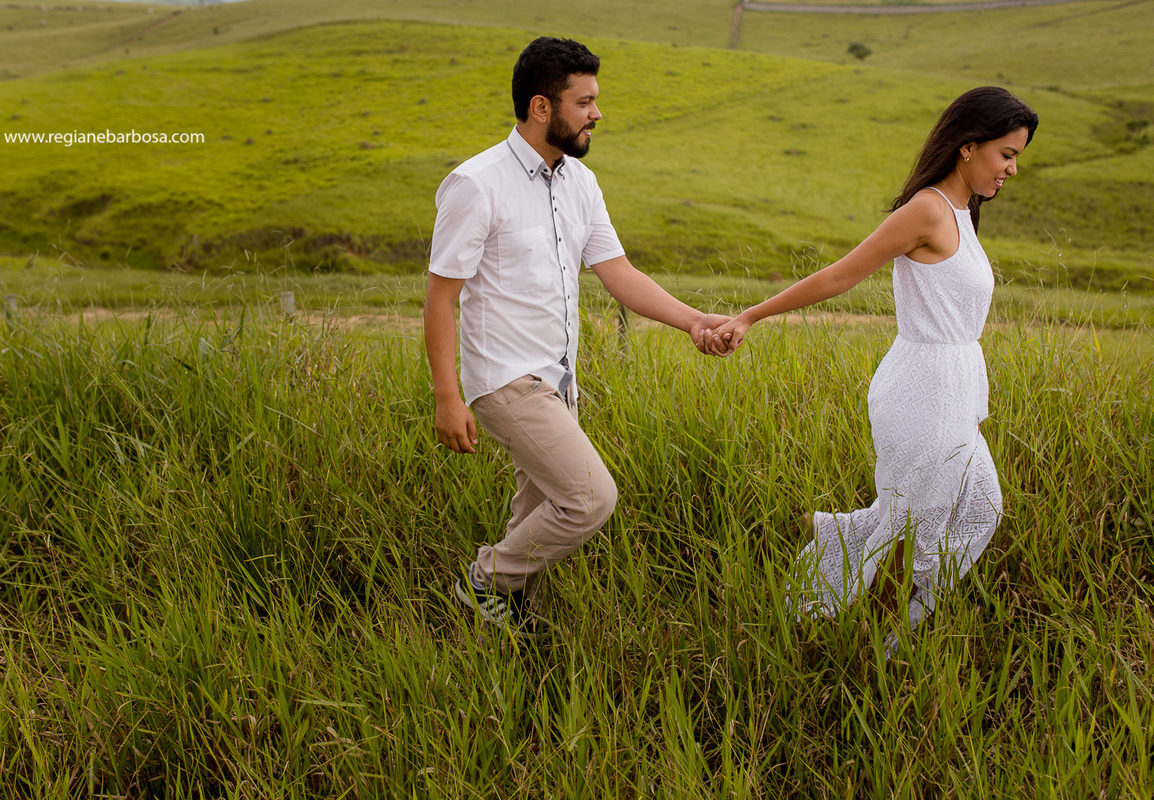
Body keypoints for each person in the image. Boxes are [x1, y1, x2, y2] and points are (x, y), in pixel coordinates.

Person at [703, 86, 1039, 652]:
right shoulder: (928, 209)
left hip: (954, 386)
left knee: (978, 508)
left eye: (1016, 158)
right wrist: (751, 316)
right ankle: (879, 648)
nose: (1010, 169)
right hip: (924, 389)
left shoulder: (962, 213)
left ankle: (821, 532)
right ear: (968, 146)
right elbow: (840, 274)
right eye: (1006, 154)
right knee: (913, 526)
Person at [425, 36, 730, 639]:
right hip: (506, 380)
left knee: (538, 510)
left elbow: (620, 274)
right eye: (585, 102)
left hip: (559, 380)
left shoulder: (580, 184)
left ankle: (498, 630)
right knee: (590, 498)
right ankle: (484, 580)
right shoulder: (476, 184)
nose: (597, 113)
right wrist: (447, 396)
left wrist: (695, 321)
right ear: (542, 107)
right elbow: (441, 297)